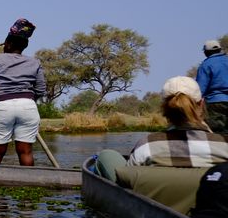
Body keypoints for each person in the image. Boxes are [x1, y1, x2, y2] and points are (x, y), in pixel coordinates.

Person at [95, 76, 228, 181]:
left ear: (164, 108)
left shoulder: (147, 146)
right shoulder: (224, 146)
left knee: (106, 155)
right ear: (202, 104)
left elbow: (127, 181)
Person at [0, 18, 45, 166]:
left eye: (5, 43)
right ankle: (29, 184)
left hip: (3, 107)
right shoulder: (34, 63)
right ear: (24, 46)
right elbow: (40, 89)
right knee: (25, 151)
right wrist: (28, 100)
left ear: (8, 44)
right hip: (27, 106)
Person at [198, 39, 228, 134]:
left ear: (206, 52)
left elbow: (200, 89)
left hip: (214, 102)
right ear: (219, 50)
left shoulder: (206, 65)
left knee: (217, 134)